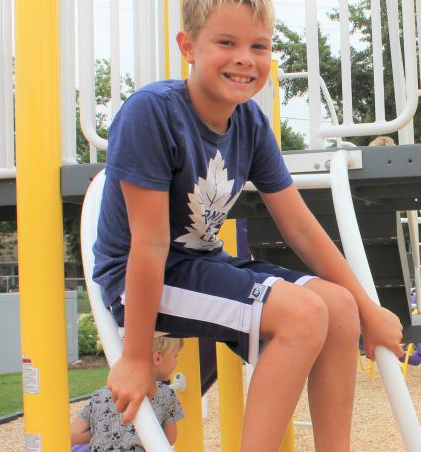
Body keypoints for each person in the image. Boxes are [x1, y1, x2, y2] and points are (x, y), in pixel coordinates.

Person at [92, 0, 404, 450]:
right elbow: (150, 242)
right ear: (188, 47)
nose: (244, 58)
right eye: (226, 42)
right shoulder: (152, 114)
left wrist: (368, 311)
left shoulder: (250, 123)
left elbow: (300, 227)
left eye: (258, 46)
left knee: (338, 307)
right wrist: (137, 356)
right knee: (304, 312)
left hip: (199, 265)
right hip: (139, 279)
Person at [70, 335, 185, 450]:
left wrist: (104, 429)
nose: (177, 362)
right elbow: (169, 439)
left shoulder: (101, 394)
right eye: (175, 356)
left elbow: (73, 434)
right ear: (157, 357)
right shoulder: (166, 394)